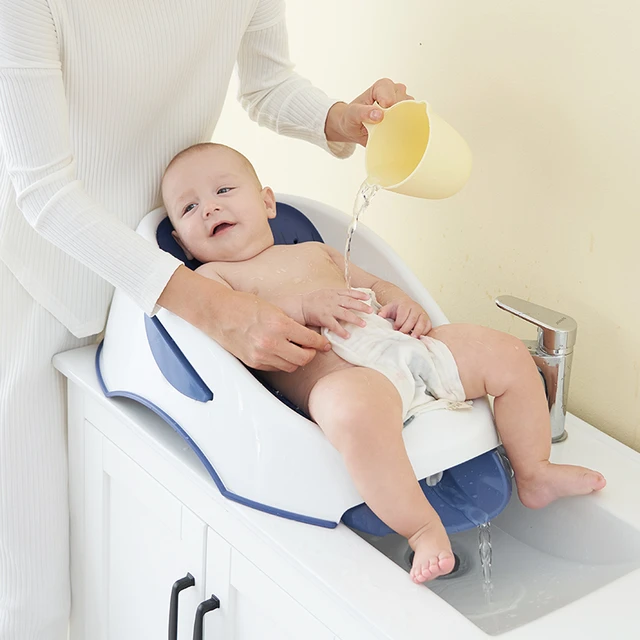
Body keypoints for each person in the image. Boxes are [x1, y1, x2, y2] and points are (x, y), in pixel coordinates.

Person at [0, 2, 415, 637]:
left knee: (117, 555)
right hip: (45, 281)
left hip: (171, 265)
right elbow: (45, 193)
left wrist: (341, 118)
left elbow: (268, 83)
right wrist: (215, 306)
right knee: (33, 579)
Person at [161, 142, 607, 584]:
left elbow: (379, 285)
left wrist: (404, 304)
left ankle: (534, 471)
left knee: (506, 352)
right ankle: (422, 527)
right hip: (343, 377)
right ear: (182, 243)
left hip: (406, 350)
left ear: (267, 202)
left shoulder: (318, 251)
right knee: (353, 410)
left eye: (223, 191)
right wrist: (302, 306)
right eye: (189, 207)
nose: (209, 210)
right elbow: (233, 337)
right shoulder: (212, 279)